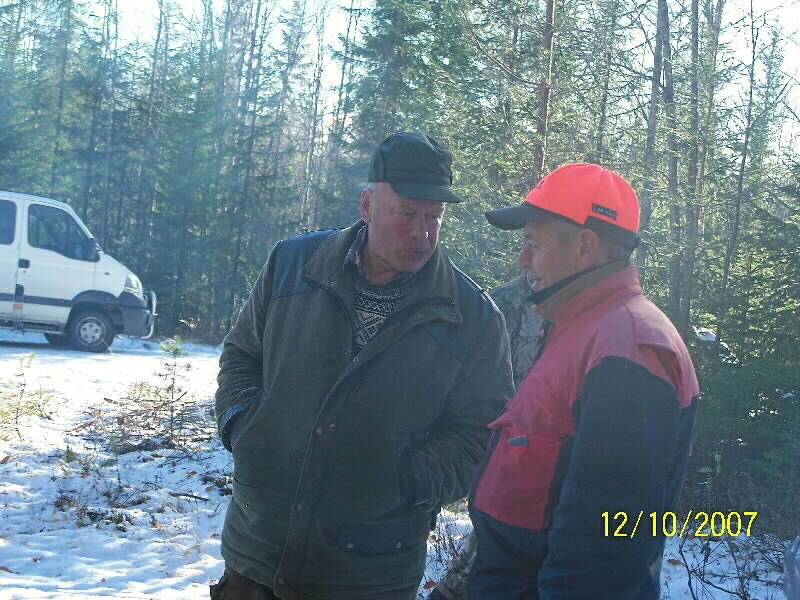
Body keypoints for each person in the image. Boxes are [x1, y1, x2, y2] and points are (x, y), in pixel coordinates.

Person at [211, 131, 515, 600]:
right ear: (368, 205)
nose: (422, 233)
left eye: (434, 217)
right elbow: (241, 356)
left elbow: (482, 433)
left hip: (371, 572)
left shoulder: (472, 317)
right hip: (258, 552)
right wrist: (243, 427)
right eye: (407, 214)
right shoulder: (293, 265)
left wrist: (406, 482)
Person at [467, 163, 700, 599]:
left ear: (584, 247)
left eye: (533, 243)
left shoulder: (627, 348)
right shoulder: (581, 326)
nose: (522, 260)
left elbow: (604, 550)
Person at [430, 269, 543, 600]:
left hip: (541, 462)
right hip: (503, 453)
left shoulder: (589, 316)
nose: (527, 257)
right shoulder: (502, 303)